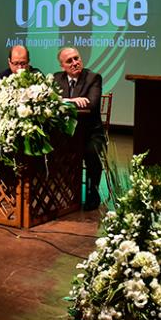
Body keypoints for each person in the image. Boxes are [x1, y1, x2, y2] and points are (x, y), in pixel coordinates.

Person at [53, 47, 106, 211]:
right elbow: (48, 101)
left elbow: (91, 103)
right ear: (62, 66)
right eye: (69, 61)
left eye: (76, 58)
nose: (75, 63)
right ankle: (64, 192)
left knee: (91, 151)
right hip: (69, 134)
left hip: (91, 133)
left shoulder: (93, 78)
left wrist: (62, 101)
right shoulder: (56, 78)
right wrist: (72, 100)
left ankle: (93, 192)